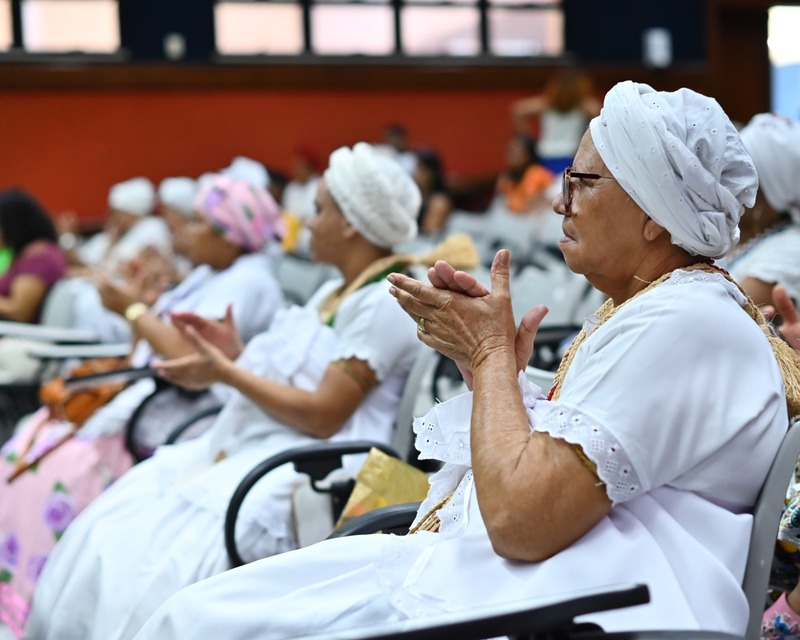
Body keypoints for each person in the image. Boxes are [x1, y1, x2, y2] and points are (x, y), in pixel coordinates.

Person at [131, 81, 800, 639]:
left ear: (654, 214)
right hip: (562, 590)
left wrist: (488, 361)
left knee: (201, 618)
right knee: (198, 612)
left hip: (584, 608)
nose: (560, 200)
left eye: (584, 182)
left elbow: (524, 521)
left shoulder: (686, 322)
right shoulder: (661, 307)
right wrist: (491, 367)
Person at [25, 143, 424, 640]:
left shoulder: (385, 300)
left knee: (151, 558)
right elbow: (298, 379)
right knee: (116, 525)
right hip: (267, 439)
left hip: (315, 462)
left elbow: (324, 415)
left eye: (319, 209)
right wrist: (234, 354)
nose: (307, 220)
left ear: (350, 224)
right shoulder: (334, 292)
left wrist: (224, 372)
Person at [0, 175, 285, 639]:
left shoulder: (249, 283)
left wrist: (134, 310)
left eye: (200, 225)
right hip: (140, 398)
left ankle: (32, 603)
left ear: (229, 234)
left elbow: (189, 357)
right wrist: (143, 306)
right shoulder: (210, 273)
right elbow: (147, 345)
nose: (187, 234)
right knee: (29, 443)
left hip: (174, 411)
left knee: (52, 472)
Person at [722, 113, 800, 307]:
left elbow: (724, 313)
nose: (722, 179)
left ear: (764, 194)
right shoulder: (733, 235)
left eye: (737, 172)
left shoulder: (791, 251)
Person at [511, 68, 601, 174]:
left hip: (546, 156)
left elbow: (519, 110)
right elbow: (597, 110)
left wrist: (528, 141)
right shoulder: (582, 107)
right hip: (567, 157)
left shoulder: (547, 104)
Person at [0, 189, 66, 323]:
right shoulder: (30, 253)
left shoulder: (38, 257)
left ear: (12, 225)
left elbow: (20, 311)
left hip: (18, 337)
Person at [493, 134, 554, 214]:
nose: (511, 156)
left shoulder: (537, 174)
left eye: (515, 152)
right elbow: (501, 207)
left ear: (528, 155)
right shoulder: (505, 178)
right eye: (510, 151)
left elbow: (532, 208)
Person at [413, 148, 453, 236]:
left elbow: (430, 235)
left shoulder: (439, 201)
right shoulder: (418, 195)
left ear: (431, 173)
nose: (415, 173)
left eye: (420, 169)